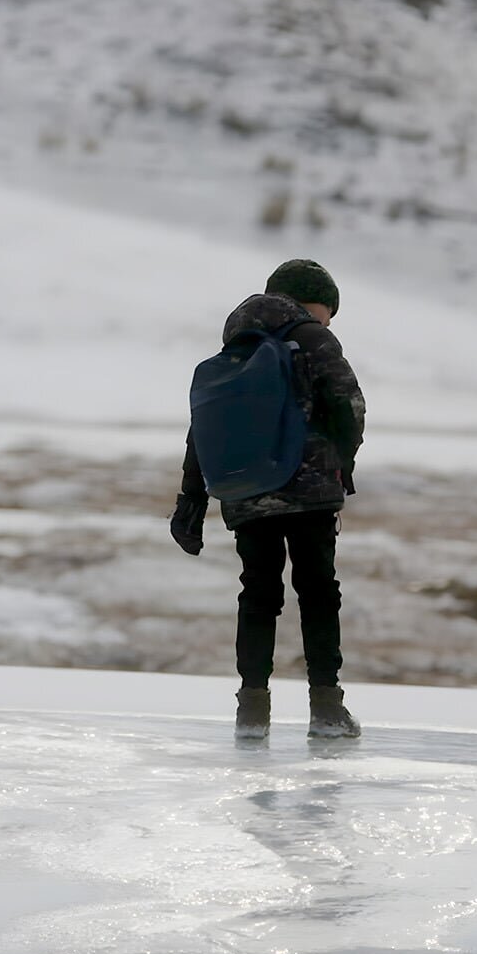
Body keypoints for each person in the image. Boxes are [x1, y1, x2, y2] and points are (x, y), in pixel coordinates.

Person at [172, 259, 368, 741]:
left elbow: (203, 429)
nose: (328, 322)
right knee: (318, 593)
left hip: (246, 492)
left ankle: (251, 713)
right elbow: (350, 403)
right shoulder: (313, 338)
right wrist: (342, 463)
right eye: (328, 311)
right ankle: (327, 710)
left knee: (257, 594)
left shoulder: (235, 347)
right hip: (309, 493)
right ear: (311, 301)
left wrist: (191, 500)